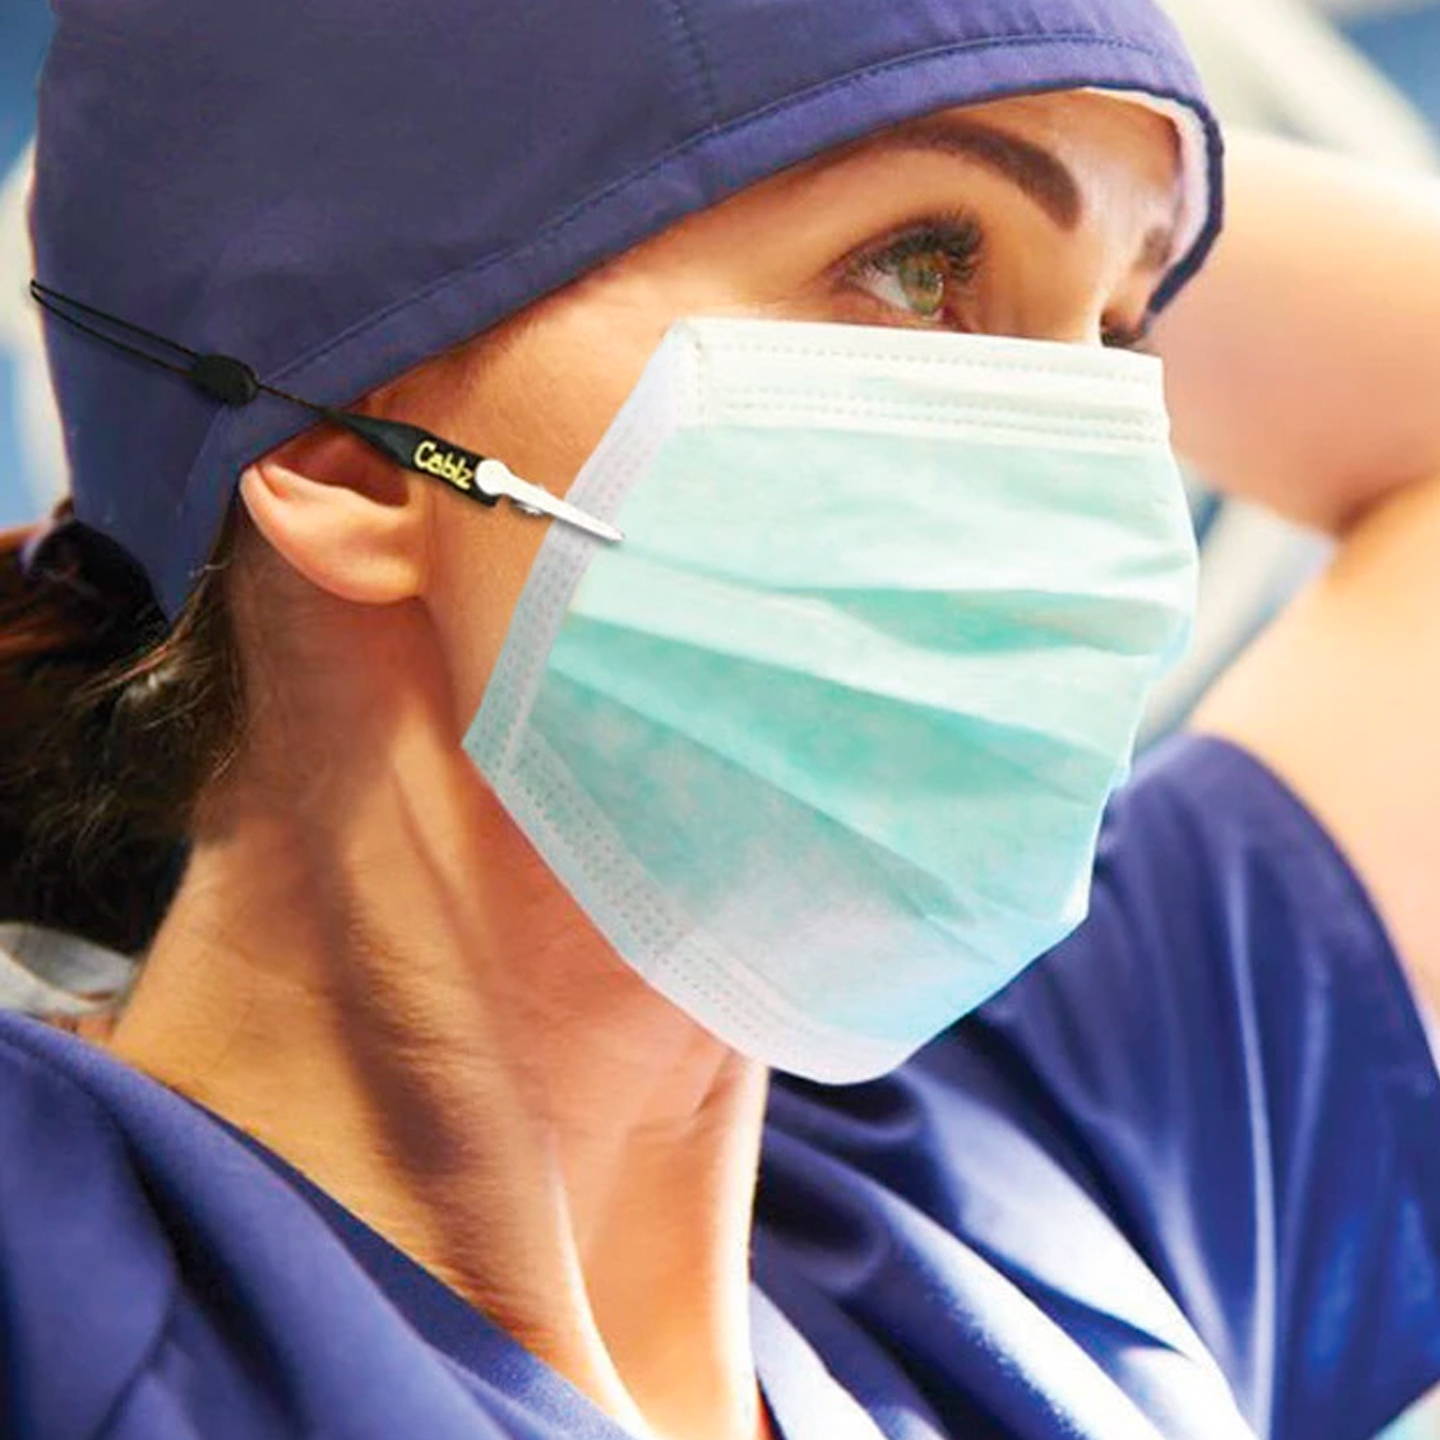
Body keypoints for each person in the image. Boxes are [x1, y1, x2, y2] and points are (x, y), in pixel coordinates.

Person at [1, 2, 1438, 1438]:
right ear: (353, 460)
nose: (1093, 463)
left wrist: (1075, 123)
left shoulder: (1041, 1211)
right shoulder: (59, 1272)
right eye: (921, 269)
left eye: (1119, 339)